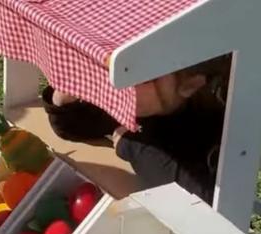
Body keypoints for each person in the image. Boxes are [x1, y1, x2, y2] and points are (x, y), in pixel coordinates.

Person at [42, 55, 230, 204]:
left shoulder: (213, 123)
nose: (119, 82)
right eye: (118, 66)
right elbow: (69, 126)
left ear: (190, 85)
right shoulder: (137, 100)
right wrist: (68, 92)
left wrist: (131, 145)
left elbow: (204, 200)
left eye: (141, 76)